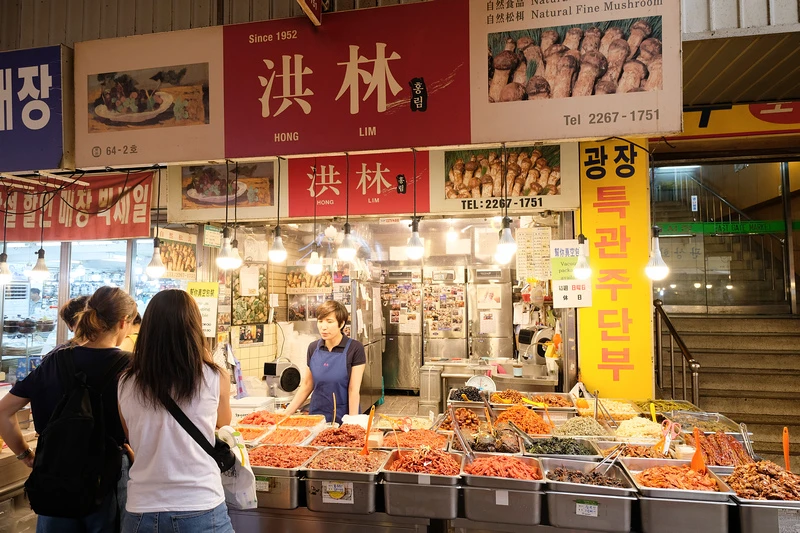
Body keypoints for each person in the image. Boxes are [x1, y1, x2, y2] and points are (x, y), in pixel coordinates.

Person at [0, 286, 137, 532]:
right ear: (123, 322)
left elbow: (3, 411)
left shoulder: (55, 359)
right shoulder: (131, 367)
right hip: (109, 476)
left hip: (54, 471)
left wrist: (26, 455)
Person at [117, 289, 233, 533]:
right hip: (201, 503)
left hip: (141, 510)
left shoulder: (126, 382)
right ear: (194, 328)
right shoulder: (214, 376)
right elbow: (224, 423)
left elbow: (132, 438)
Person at [284, 300, 366, 424]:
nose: (323, 327)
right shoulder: (313, 348)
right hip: (317, 417)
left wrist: (352, 424)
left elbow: (353, 390)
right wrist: (286, 414)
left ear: (341, 323)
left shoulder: (355, 349)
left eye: (329, 321)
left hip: (343, 417)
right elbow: (307, 385)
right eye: (320, 321)